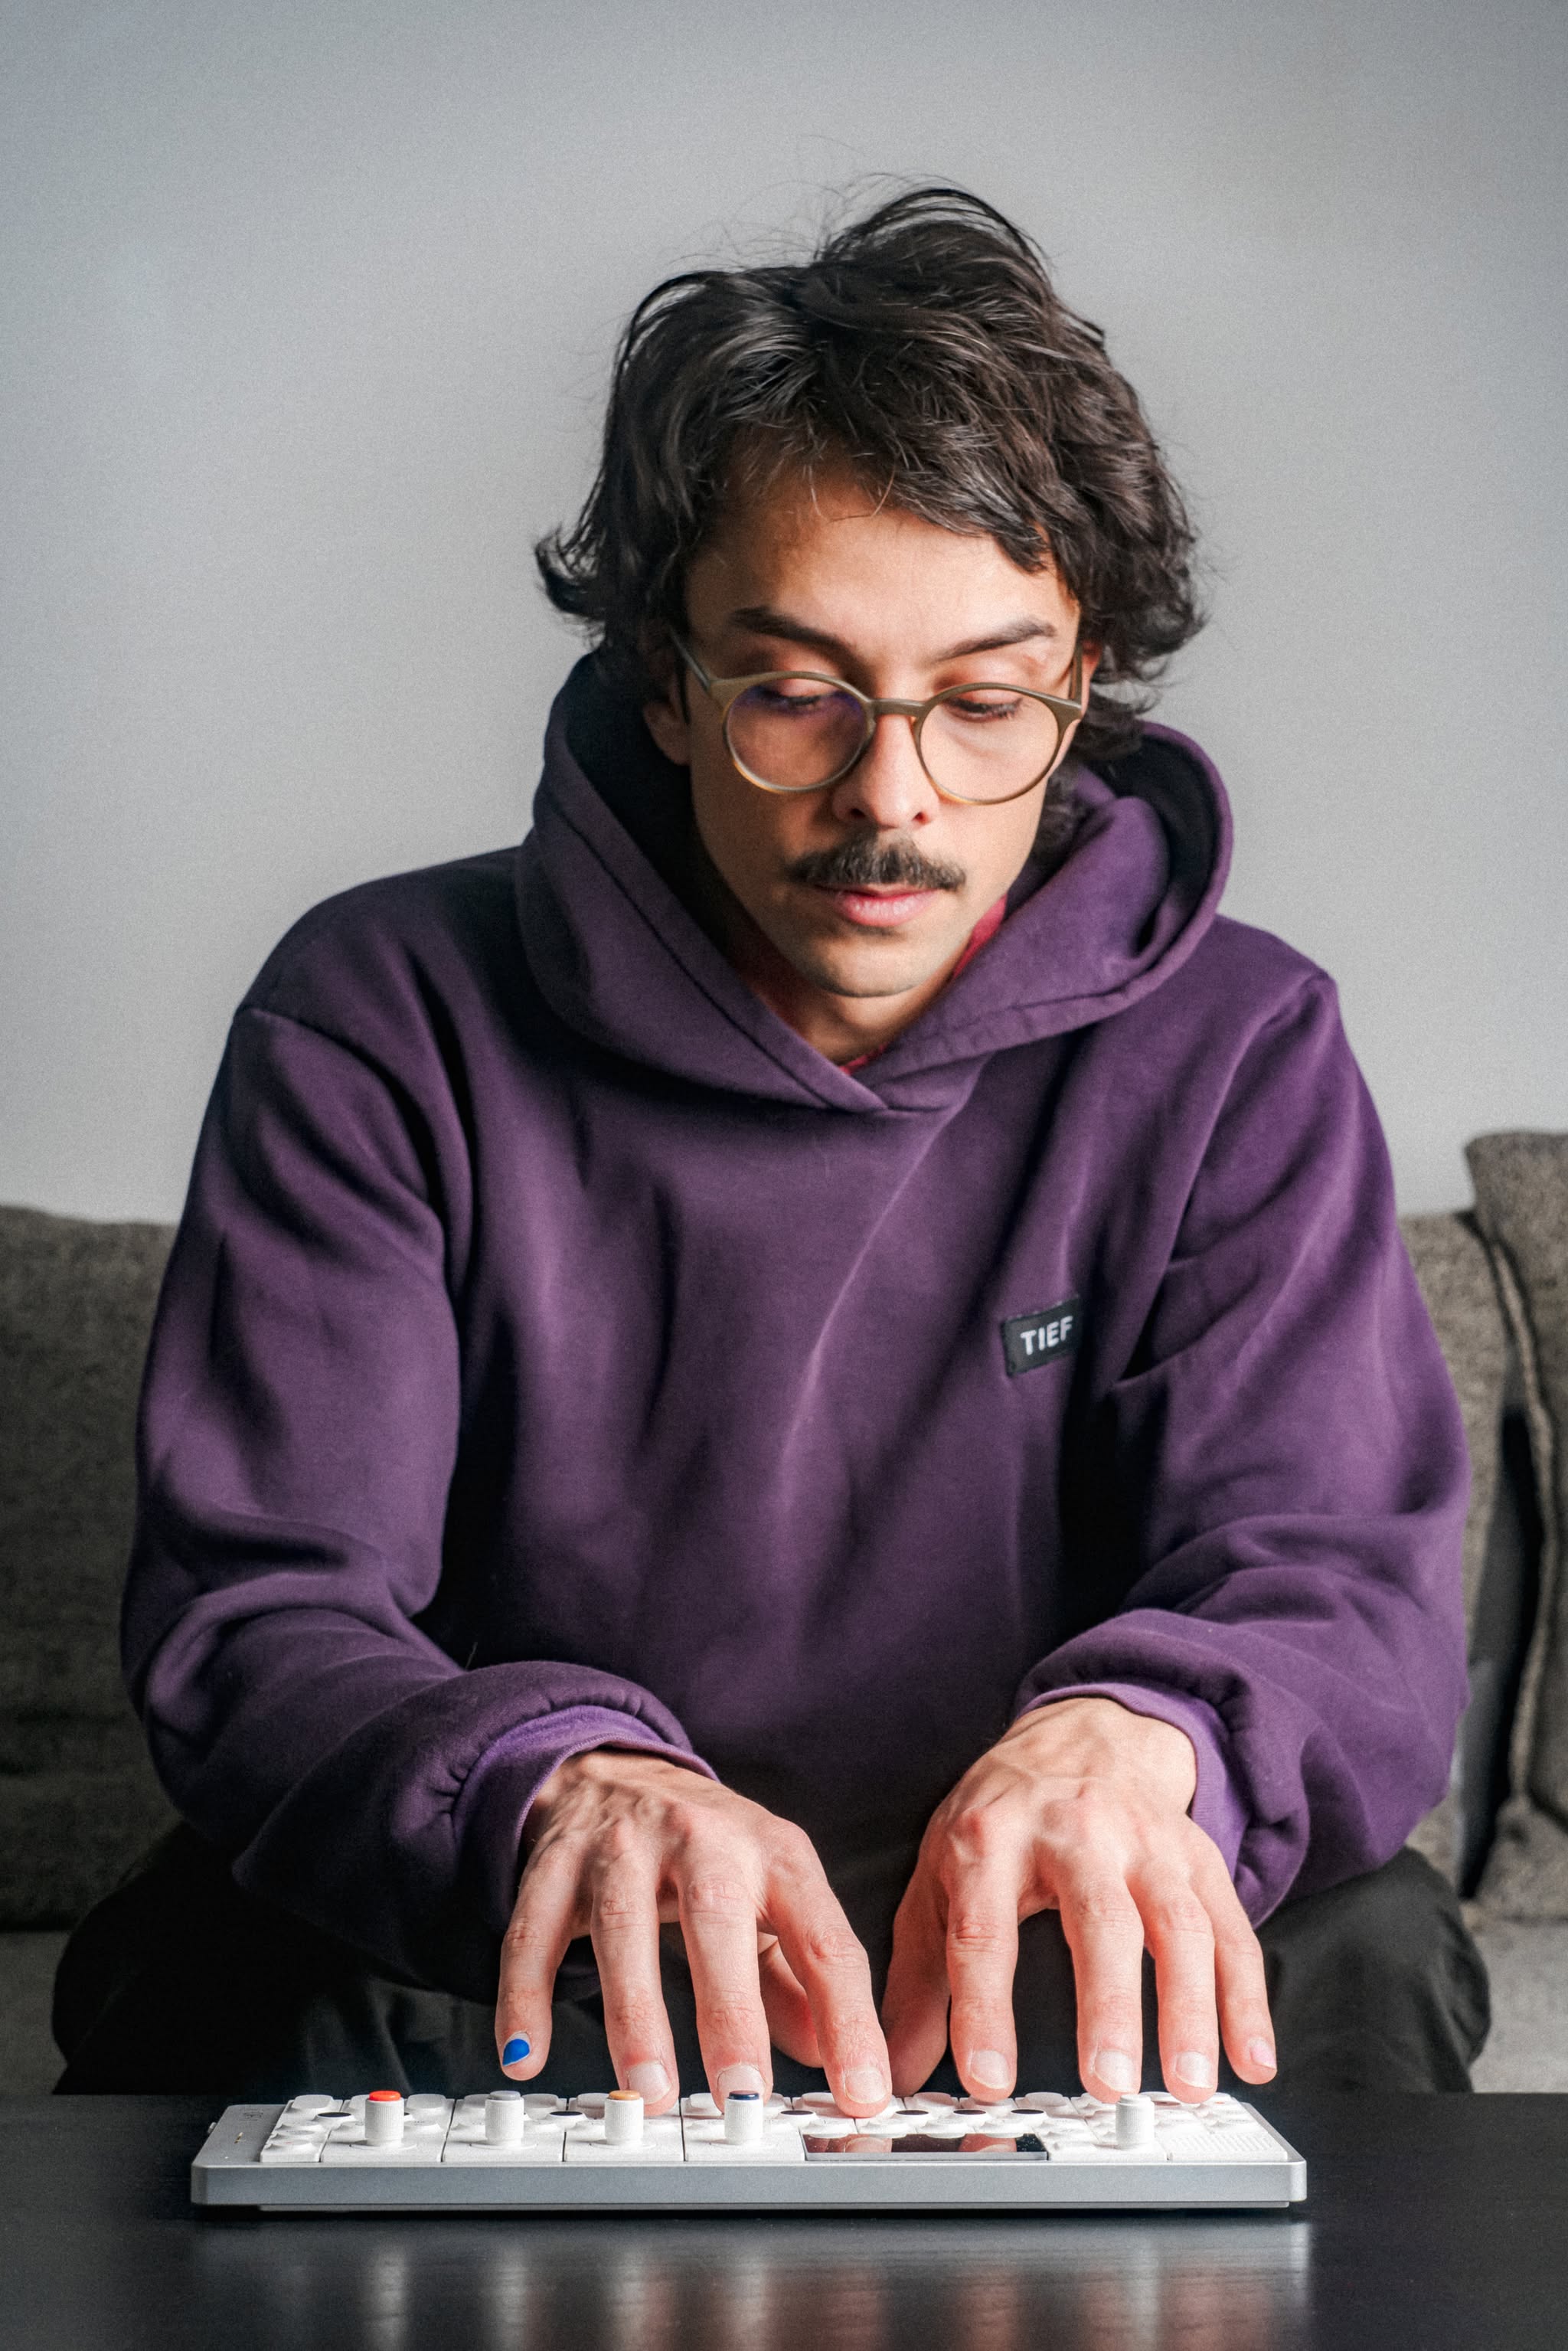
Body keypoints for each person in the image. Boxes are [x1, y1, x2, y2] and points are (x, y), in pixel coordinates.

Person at [55, 187, 1487, 2106]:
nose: (890, 797)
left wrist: (1148, 1736)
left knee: (1371, 1945)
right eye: (797, 694)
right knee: (224, 1967)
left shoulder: (1239, 1046)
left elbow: (1335, 1589)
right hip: (542, 1944)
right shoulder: (376, 1012)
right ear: (667, 676)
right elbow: (265, 1611)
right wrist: (565, 1777)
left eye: (984, 701)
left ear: (1081, 689)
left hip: (1037, 1959)